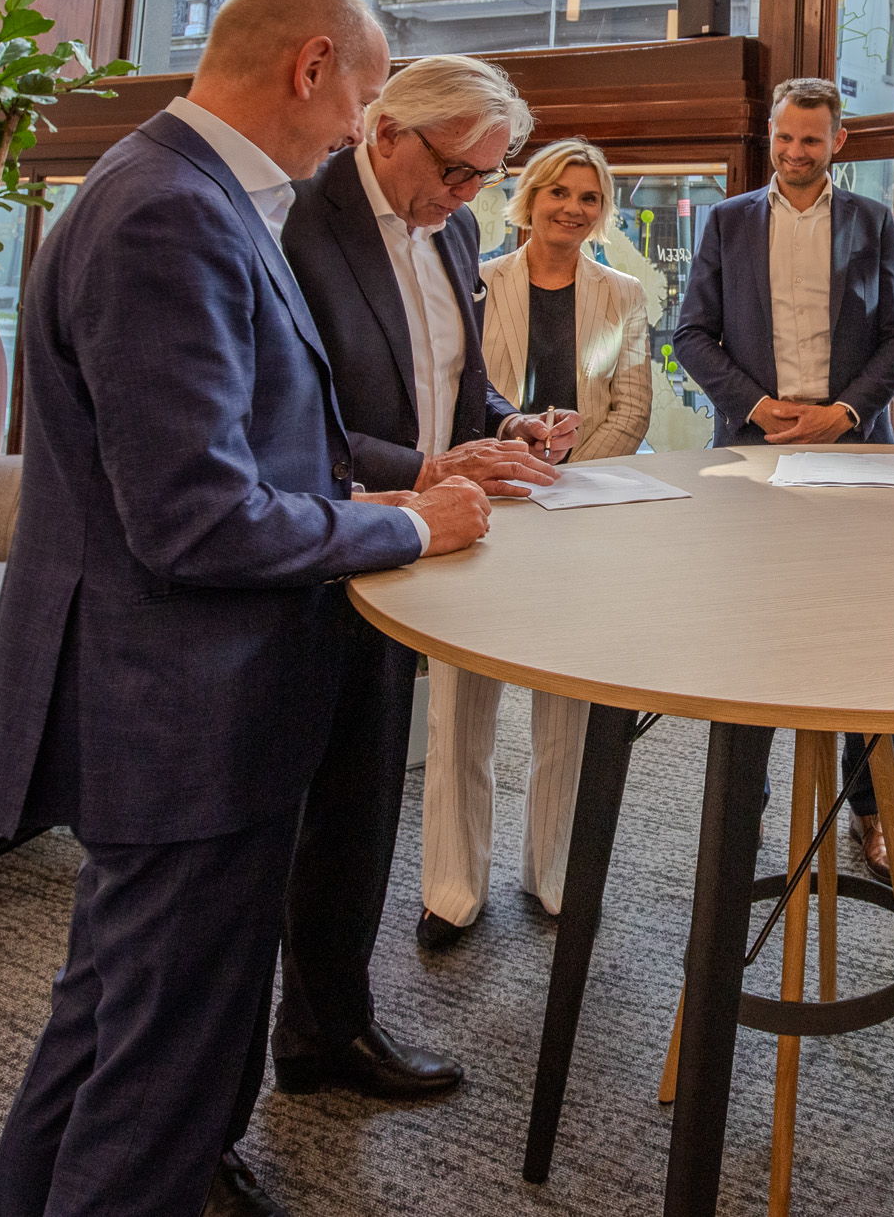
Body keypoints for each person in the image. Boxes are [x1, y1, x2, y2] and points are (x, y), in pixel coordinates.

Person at [0, 0, 491, 1217]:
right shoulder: (171, 214)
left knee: (107, 1030)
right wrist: (404, 521)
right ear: (312, 69)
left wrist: (404, 484)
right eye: (363, 94)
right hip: (180, 714)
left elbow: (265, 442)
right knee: (161, 1079)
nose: (359, 127)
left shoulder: (182, 191)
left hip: (171, 704)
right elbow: (197, 517)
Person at [275, 53, 553, 1079]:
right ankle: (303, 1030)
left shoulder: (460, 229)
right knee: (297, 813)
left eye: (487, 176)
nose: (470, 195)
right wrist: (428, 465)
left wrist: (507, 425)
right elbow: (298, 419)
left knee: (362, 802)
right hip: (327, 538)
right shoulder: (299, 221)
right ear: (384, 129)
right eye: (456, 170)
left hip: (421, 547)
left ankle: (325, 1030)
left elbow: (451, 385)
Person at [673, 76, 894, 880]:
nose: (794, 152)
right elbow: (693, 335)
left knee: (858, 641)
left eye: (811, 139)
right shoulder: (727, 221)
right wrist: (759, 405)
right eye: (784, 138)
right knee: (755, 635)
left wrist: (844, 412)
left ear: (837, 142)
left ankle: (869, 811)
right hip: (755, 451)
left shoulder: (873, 222)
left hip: (853, 456)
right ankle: (744, 812)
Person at [421, 137, 651, 945]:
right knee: (460, 707)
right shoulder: (473, 281)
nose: (572, 209)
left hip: (578, 516)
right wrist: (508, 469)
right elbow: (457, 398)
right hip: (476, 508)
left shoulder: (621, 295)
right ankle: (451, 885)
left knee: (570, 710)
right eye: (559, 193)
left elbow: (630, 409)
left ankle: (553, 873)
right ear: (529, 197)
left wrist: (562, 480)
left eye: (589, 197)